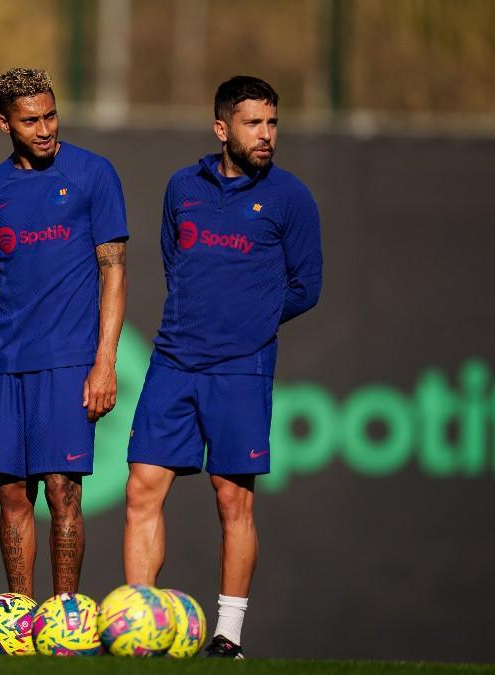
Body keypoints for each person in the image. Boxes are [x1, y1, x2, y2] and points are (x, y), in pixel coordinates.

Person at [122, 75, 322, 659]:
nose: (266, 135)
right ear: (221, 128)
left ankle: (227, 636)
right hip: (174, 360)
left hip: (241, 367)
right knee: (141, 489)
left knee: (232, 499)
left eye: (272, 123)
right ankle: (141, 623)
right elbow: (172, 258)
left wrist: (250, 323)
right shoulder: (182, 187)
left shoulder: (291, 197)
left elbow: (306, 287)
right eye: (253, 123)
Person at [0, 68, 128, 599]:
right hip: (9, 365)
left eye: (50, 115)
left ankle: (64, 615)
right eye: (29, 120)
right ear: (3, 123)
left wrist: (105, 362)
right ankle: (19, 614)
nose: (44, 128)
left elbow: (114, 271)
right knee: (13, 494)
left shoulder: (93, 175)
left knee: (63, 492)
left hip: (68, 362)